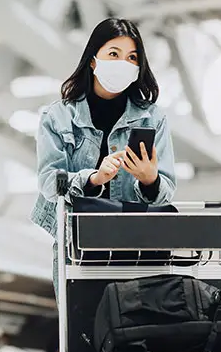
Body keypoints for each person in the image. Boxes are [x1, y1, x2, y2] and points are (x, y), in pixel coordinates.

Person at [29, 17, 177, 294]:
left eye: (132, 57)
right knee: (82, 332)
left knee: (135, 330)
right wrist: (94, 179)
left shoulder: (152, 118)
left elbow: (166, 192)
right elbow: (50, 183)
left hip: (137, 249)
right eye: (114, 54)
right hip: (79, 249)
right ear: (93, 61)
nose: (124, 63)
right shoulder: (58, 117)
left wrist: (150, 180)